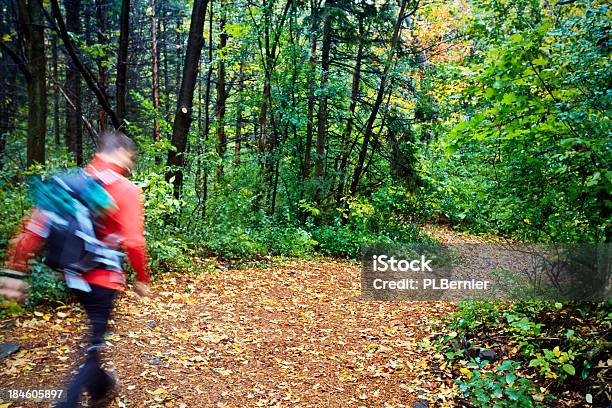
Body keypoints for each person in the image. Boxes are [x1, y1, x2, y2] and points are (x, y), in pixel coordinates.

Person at [4, 130, 150, 407]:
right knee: (94, 345)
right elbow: (133, 241)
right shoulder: (125, 189)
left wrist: (16, 271)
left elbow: (33, 229)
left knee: (95, 335)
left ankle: (102, 388)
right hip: (103, 281)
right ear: (120, 152)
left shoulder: (68, 183)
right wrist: (141, 278)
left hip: (72, 277)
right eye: (130, 158)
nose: (130, 164)